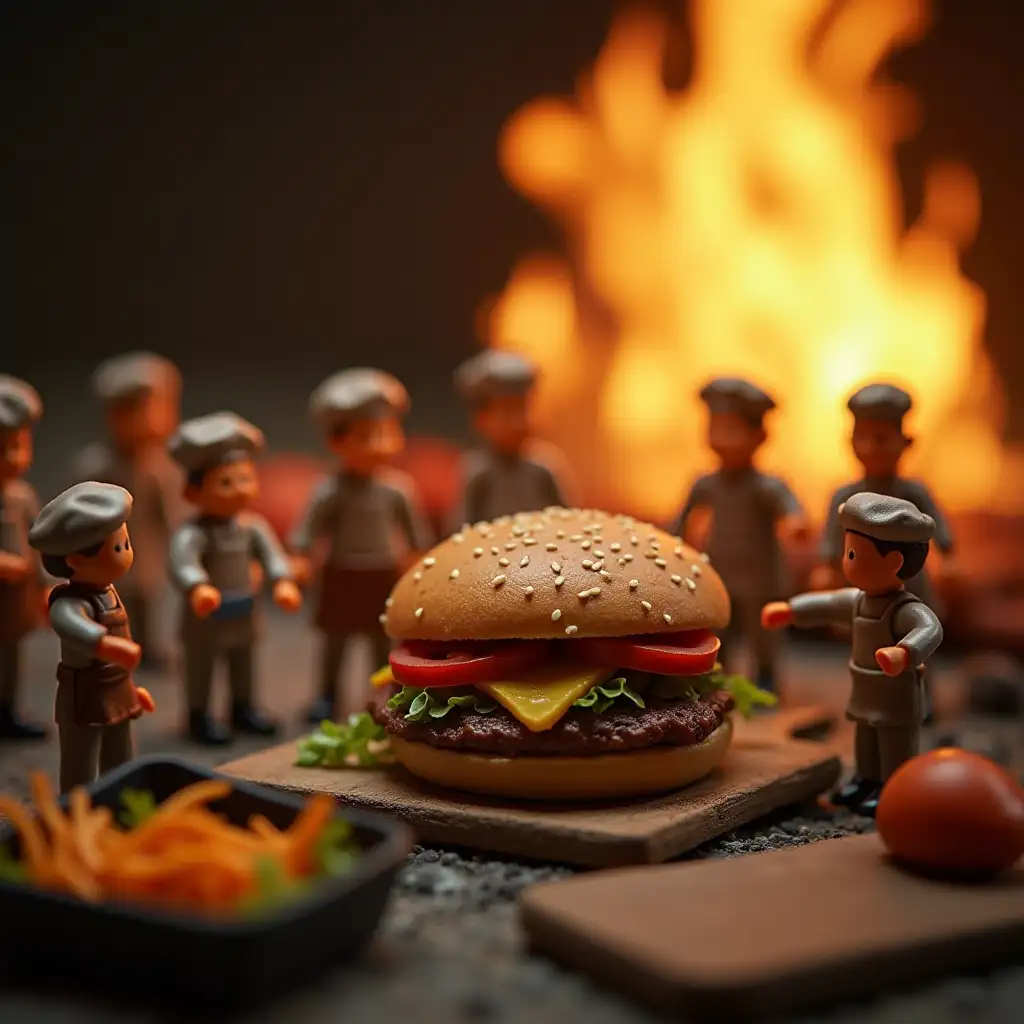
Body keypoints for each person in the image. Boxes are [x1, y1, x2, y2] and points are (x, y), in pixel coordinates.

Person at [762, 491, 943, 816]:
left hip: (896, 699)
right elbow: (829, 604)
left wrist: (905, 652)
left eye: (854, 554)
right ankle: (865, 780)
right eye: (849, 552)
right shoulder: (858, 600)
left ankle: (893, 787)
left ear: (894, 563)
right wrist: (792, 610)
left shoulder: (903, 609)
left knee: (893, 746)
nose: (846, 562)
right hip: (865, 692)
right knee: (865, 740)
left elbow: (931, 629)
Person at [290, 369, 431, 723]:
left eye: (386, 432)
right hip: (342, 572)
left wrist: (418, 564)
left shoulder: (399, 489)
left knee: (381, 642)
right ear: (337, 442)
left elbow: (415, 533)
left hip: (383, 573)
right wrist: (302, 558)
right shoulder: (330, 490)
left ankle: (385, 692)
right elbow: (309, 528)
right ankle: (327, 695)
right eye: (366, 435)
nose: (379, 444)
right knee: (335, 641)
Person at [168, 411, 301, 745]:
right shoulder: (194, 533)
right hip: (207, 615)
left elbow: (272, 556)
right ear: (192, 492)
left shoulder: (252, 526)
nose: (239, 490)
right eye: (226, 482)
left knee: (244, 661)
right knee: (202, 665)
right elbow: (182, 560)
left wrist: (282, 579)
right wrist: (197, 585)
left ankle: (243, 707)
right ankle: (198, 714)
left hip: (244, 608)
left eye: (246, 478)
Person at [671, 378, 808, 693]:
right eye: (715, 429)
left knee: (763, 634)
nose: (722, 439)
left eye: (732, 431)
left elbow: (789, 507)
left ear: (759, 436)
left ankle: (765, 677)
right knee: (722, 632)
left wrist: (795, 524)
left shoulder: (765, 486)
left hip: (761, 578)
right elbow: (683, 521)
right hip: (721, 574)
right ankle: (719, 677)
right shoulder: (706, 484)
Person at [29, 482, 153, 792]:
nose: (127, 554)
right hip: (84, 695)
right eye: (117, 548)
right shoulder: (71, 602)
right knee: (81, 761)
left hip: (118, 691)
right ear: (75, 559)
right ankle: (75, 810)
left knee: (121, 756)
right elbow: (69, 625)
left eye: (126, 544)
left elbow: (121, 653)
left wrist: (131, 688)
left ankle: (122, 804)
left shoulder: (110, 592)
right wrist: (103, 644)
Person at [71, 352, 183, 666]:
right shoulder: (98, 466)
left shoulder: (160, 467)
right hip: (106, 552)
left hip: (144, 547)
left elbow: (168, 511)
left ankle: (146, 645)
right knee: (111, 600)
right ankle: (113, 645)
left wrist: (177, 540)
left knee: (146, 598)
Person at [812, 383, 956, 608]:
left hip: (909, 578)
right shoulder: (845, 495)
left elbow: (936, 523)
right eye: (862, 438)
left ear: (906, 442)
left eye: (881, 439)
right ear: (850, 442)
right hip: (862, 578)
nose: (870, 448)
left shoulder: (913, 492)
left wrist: (948, 557)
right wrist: (828, 566)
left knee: (914, 621)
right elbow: (832, 534)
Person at [452, 350, 572, 527]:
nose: (518, 422)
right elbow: (462, 527)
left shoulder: (544, 467)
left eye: (523, 408)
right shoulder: (478, 471)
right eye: (507, 411)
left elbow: (569, 520)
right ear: (481, 419)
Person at [0, 376, 48, 739]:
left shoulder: (22, 496)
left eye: (18, 445)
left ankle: (7, 710)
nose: (13, 459)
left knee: (12, 658)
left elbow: (41, 540)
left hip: (16, 602)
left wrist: (46, 585)